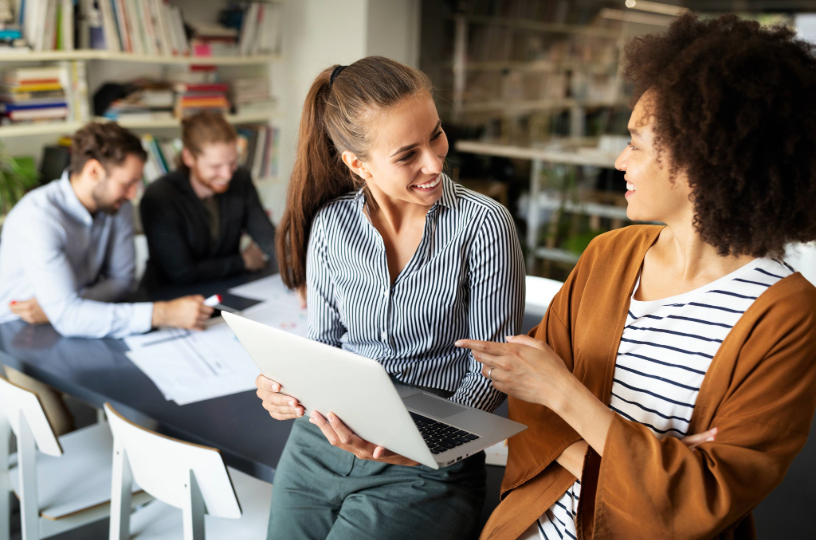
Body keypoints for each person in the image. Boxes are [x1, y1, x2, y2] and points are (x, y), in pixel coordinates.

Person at [456, 14, 816, 540]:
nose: (621, 160)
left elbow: (702, 501)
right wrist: (642, 465)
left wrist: (569, 397)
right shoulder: (609, 256)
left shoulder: (786, 315)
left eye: (638, 144)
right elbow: (527, 396)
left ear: (703, 158)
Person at [254, 57, 525, 539]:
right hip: (320, 442)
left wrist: (428, 445)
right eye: (407, 155)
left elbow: (493, 368)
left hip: (427, 460)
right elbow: (324, 345)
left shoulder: (483, 225)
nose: (435, 162)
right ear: (357, 164)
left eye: (436, 135)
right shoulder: (331, 226)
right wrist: (286, 386)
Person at [0, 121, 213, 434]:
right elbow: (71, 315)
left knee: (146, 399)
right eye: (127, 183)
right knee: (58, 428)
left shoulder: (117, 207)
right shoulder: (39, 217)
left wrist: (63, 307)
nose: (133, 194)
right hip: (17, 338)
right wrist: (163, 313)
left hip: (75, 323)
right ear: (94, 171)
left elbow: (122, 281)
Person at [139, 110, 277, 289]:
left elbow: (269, 239)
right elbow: (182, 272)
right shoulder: (160, 197)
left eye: (232, 162)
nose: (227, 175)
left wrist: (299, 276)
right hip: (173, 297)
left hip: (230, 287)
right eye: (216, 166)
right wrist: (243, 261)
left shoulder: (240, 180)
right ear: (189, 158)